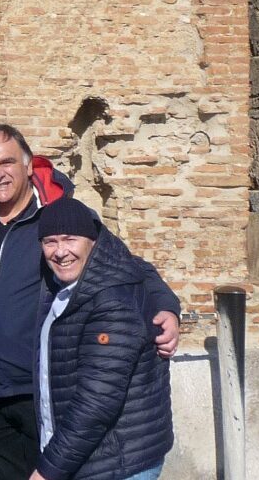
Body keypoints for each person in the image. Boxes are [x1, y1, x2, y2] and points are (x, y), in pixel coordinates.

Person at [0, 124, 180, 480]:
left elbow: (127, 266)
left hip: (43, 392)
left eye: (7, 162)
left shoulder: (59, 215)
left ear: (28, 165)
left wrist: (165, 305)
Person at [32, 197, 174, 480]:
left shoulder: (111, 303)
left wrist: (47, 471)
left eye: (70, 239)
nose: (61, 252)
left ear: (93, 242)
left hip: (118, 463)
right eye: (50, 242)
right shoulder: (64, 283)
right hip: (88, 457)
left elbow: (96, 402)